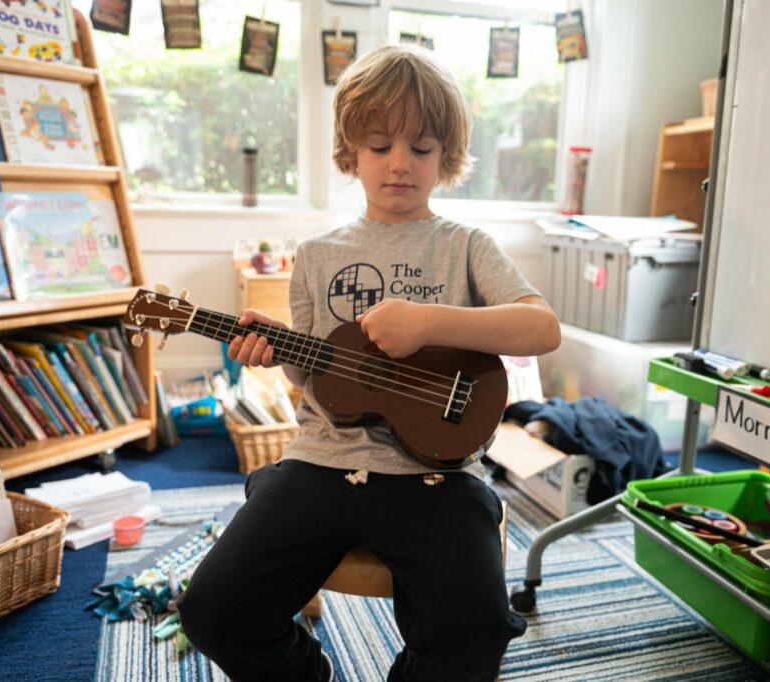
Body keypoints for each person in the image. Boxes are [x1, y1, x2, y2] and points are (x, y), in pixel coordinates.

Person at [177, 43, 561, 682]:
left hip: (438, 478)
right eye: (380, 146)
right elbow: (315, 379)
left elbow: (541, 327)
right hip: (321, 462)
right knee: (212, 610)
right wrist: (278, 354)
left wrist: (430, 320)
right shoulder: (318, 254)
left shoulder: (465, 245)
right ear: (351, 150)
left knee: (477, 631)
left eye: (422, 148)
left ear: (448, 156)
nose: (400, 165)